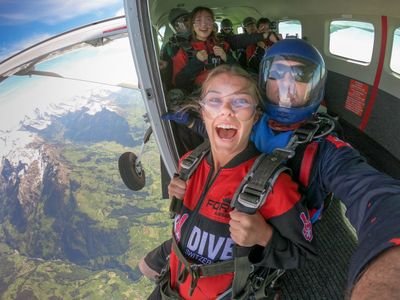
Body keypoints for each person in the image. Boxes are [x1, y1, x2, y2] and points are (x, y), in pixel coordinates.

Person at [144, 38, 400, 298]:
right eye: (277, 75)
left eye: (299, 76)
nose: (287, 85)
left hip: (279, 235)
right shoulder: (249, 119)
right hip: (218, 223)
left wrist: (389, 268)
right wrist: (187, 133)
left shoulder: (326, 151)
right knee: (159, 265)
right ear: (264, 82)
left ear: (316, 86)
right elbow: (215, 130)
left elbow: (376, 195)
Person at [149, 64, 316, 299]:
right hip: (169, 289)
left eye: (240, 102)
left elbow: (303, 253)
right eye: (214, 101)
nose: (226, 110)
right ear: (202, 111)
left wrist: (264, 237)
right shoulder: (188, 164)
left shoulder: (273, 185)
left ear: (255, 115)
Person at [172, 6, 237, 94]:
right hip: (199, 94)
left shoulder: (223, 45)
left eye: (208, 20)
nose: (203, 25)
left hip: (227, 89)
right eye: (198, 20)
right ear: (193, 25)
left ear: (213, 24)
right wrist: (196, 62)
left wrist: (226, 57)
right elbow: (178, 83)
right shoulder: (184, 51)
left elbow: (239, 71)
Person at [159, 8, 191, 90]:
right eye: (177, 23)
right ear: (174, 28)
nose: (183, 25)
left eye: (185, 19)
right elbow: (167, 72)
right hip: (184, 88)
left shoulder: (205, 37)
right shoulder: (169, 47)